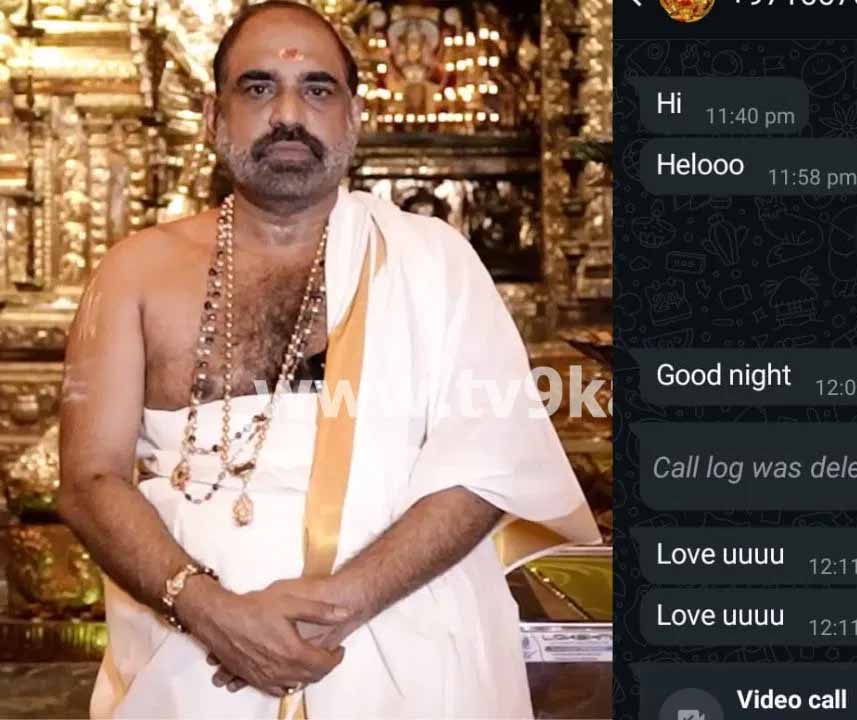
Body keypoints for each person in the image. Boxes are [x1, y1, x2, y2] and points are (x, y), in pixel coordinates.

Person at [54, 2, 600, 718]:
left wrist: (339, 608)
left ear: (353, 116)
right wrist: (211, 613)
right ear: (215, 117)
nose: (288, 114)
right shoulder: (136, 272)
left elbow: (488, 466)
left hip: (406, 658)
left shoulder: (433, 262)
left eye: (317, 89)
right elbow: (89, 479)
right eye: (258, 88)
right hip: (190, 667)